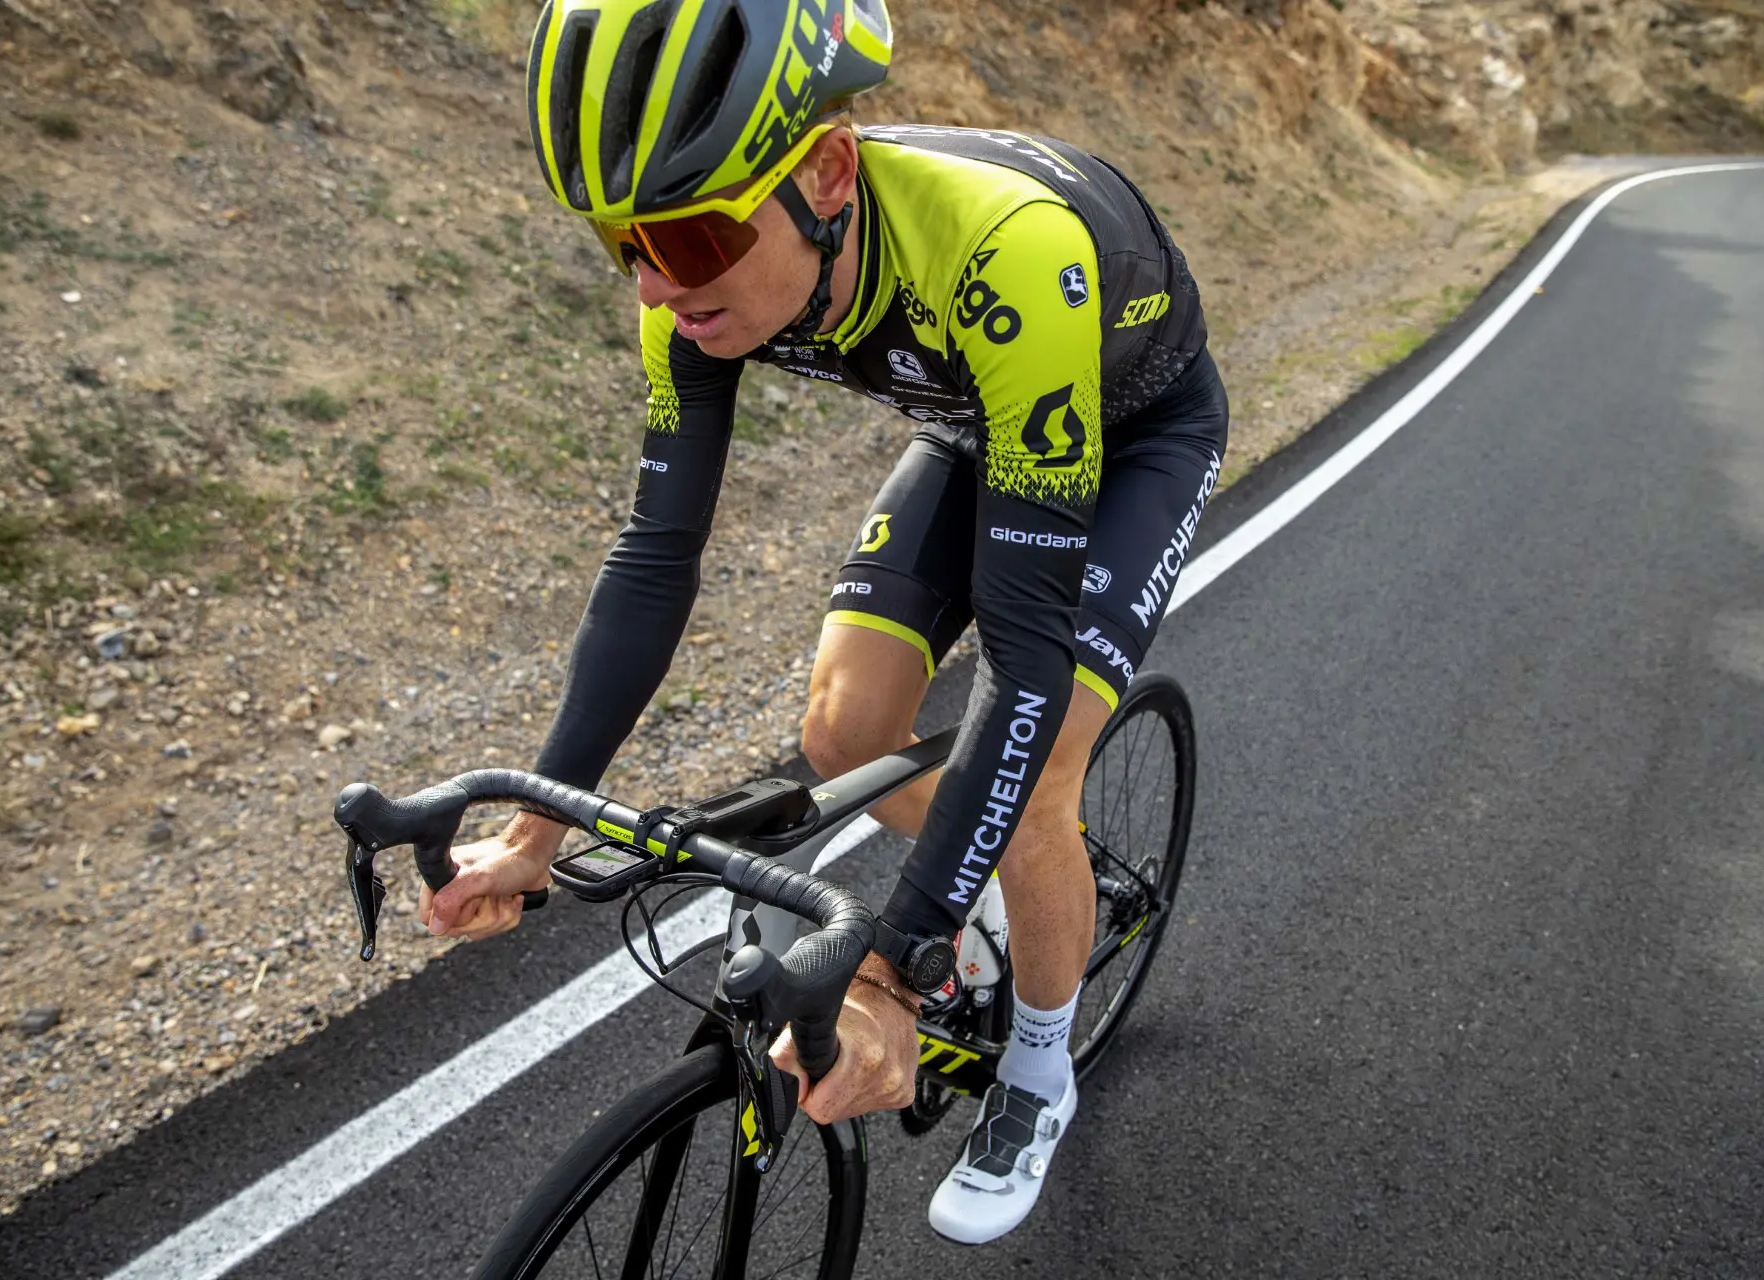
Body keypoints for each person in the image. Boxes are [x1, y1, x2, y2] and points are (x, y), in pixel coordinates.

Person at [419, 0, 1227, 1246]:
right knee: (845, 730)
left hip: (1132, 439)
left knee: (1039, 773)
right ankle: (993, 895)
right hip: (980, 420)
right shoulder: (690, 290)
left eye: (686, 236)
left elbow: (1020, 665)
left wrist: (896, 964)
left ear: (829, 175)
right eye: (618, 242)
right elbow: (655, 561)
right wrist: (535, 833)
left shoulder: (1004, 251)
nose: (654, 284)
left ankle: (1036, 1071)